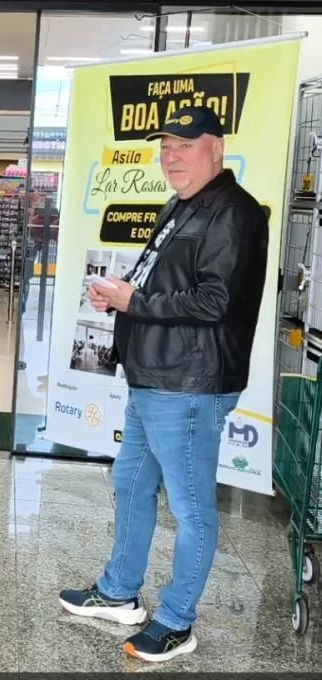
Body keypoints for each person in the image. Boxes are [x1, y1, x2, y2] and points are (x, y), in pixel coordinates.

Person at [59, 106, 269, 663]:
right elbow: (166, 278)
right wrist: (121, 292)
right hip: (155, 376)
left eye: (185, 145)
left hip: (191, 383)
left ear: (216, 148)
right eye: (165, 146)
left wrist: (136, 302)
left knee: (190, 504)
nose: (170, 156)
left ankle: (177, 620)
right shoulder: (182, 204)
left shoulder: (234, 213)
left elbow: (217, 300)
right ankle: (119, 592)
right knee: (130, 484)